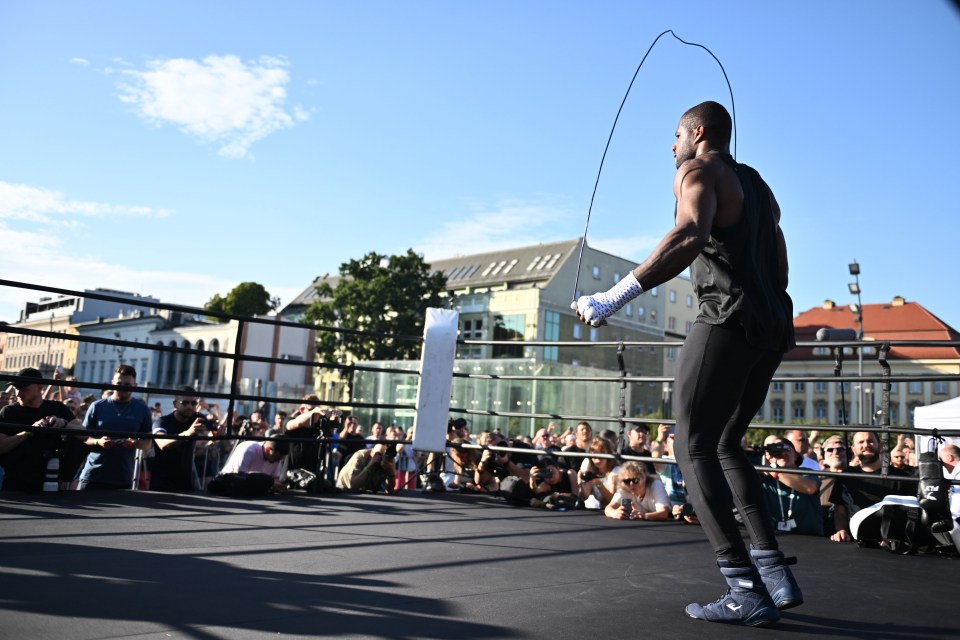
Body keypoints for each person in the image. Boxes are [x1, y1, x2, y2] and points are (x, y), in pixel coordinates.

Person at [574, 101, 797, 626]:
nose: (671, 147)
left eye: (674, 136)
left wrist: (612, 297)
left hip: (725, 317)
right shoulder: (758, 185)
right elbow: (780, 262)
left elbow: (690, 232)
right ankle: (774, 574)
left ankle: (743, 587)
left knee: (689, 443)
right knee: (725, 444)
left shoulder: (697, 172)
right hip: (770, 325)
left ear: (696, 133)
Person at [0, 367, 82, 490]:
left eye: (23, 388)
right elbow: (1, 446)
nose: (18, 393)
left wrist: (64, 424)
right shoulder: (9, 412)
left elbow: (84, 435)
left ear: (39, 387)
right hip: (16, 482)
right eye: (16, 388)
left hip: (51, 482)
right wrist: (29, 431)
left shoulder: (58, 408)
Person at [77, 365, 153, 490]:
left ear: (135, 386)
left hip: (123, 477)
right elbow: (84, 437)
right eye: (119, 383)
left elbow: (147, 443)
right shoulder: (97, 406)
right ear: (112, 383)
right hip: (93, 475)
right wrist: (98, 441)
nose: (122, 387)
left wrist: (135, 443)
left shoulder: (142, 410)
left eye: (127, 385)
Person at [829, 431, 912, 543]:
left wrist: (895, 536)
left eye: (870, 441)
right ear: (853, 449)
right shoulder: (846, 476)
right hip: (856, 543)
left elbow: (910, 512)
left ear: (880, 446)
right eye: (861, 442)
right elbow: (840, 508)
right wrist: (841, 530)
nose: (866, 445)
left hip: (892, 544)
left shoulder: (901, 477)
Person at [149, 386, 209, 492]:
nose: (190, 406)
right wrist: (187, 433)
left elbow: (219, 433)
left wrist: (217, 431)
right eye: (185, 403)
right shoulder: (163, 421)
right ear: (175, 404)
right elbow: (162, 443)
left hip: (186, 484)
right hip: (162, 485)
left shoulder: (197, 418)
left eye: (194, 403)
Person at [759, 438, 822, 536]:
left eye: (786, 449)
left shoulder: (806, 471)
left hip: (809, 538)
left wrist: (776, 472)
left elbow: (811, 488)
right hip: (778, 537)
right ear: (769, 458)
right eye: (776, 451)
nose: (782, 453)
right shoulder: (764, 477)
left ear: (796, 456)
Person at [219, 428, 290, 491]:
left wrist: (280, 485)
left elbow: (275, 480)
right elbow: (239, 478)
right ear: (268, 450)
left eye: (280, 459)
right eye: (276, 458)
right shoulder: (248, 450)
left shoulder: (275, 457)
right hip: (227, 487)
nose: (278, 461)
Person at [604, 461, 670, 521]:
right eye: (627, 481)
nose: (631, 484)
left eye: (635, 480)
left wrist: (644, 516)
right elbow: (608, 508)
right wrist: (614, 513)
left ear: (644, 478)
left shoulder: (655, 485)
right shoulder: (624, 489)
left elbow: (664, 513)